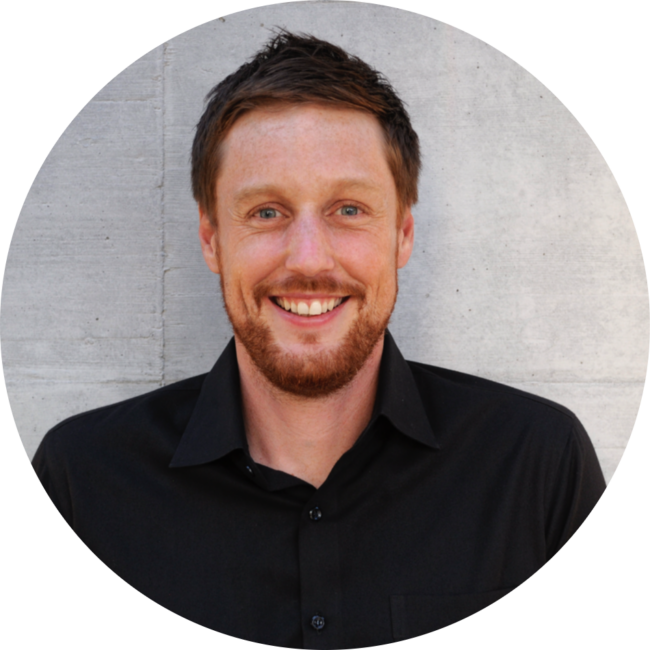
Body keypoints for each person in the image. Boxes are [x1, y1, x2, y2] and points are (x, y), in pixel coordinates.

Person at [31, 31, 606, 646]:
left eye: (348, 209)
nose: (308, 259)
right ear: (211, 240)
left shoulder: (536, 467)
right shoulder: (83, 484)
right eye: (267, 212)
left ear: (403, 234)